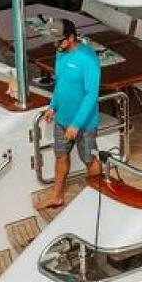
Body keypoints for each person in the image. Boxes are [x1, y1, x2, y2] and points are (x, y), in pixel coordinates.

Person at [41, 19, 102, 210]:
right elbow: (61, 83)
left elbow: (91, 95)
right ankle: (57, 196)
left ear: (71, 38)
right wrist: (53, 105)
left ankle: (98, 197)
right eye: (54, 41)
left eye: (59, 41)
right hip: (62, 119)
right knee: (60, 156)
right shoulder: (60, 53)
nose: (55, 45)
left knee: (90, 159)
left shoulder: (88, 59)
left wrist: (76, 124)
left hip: (84, 124)